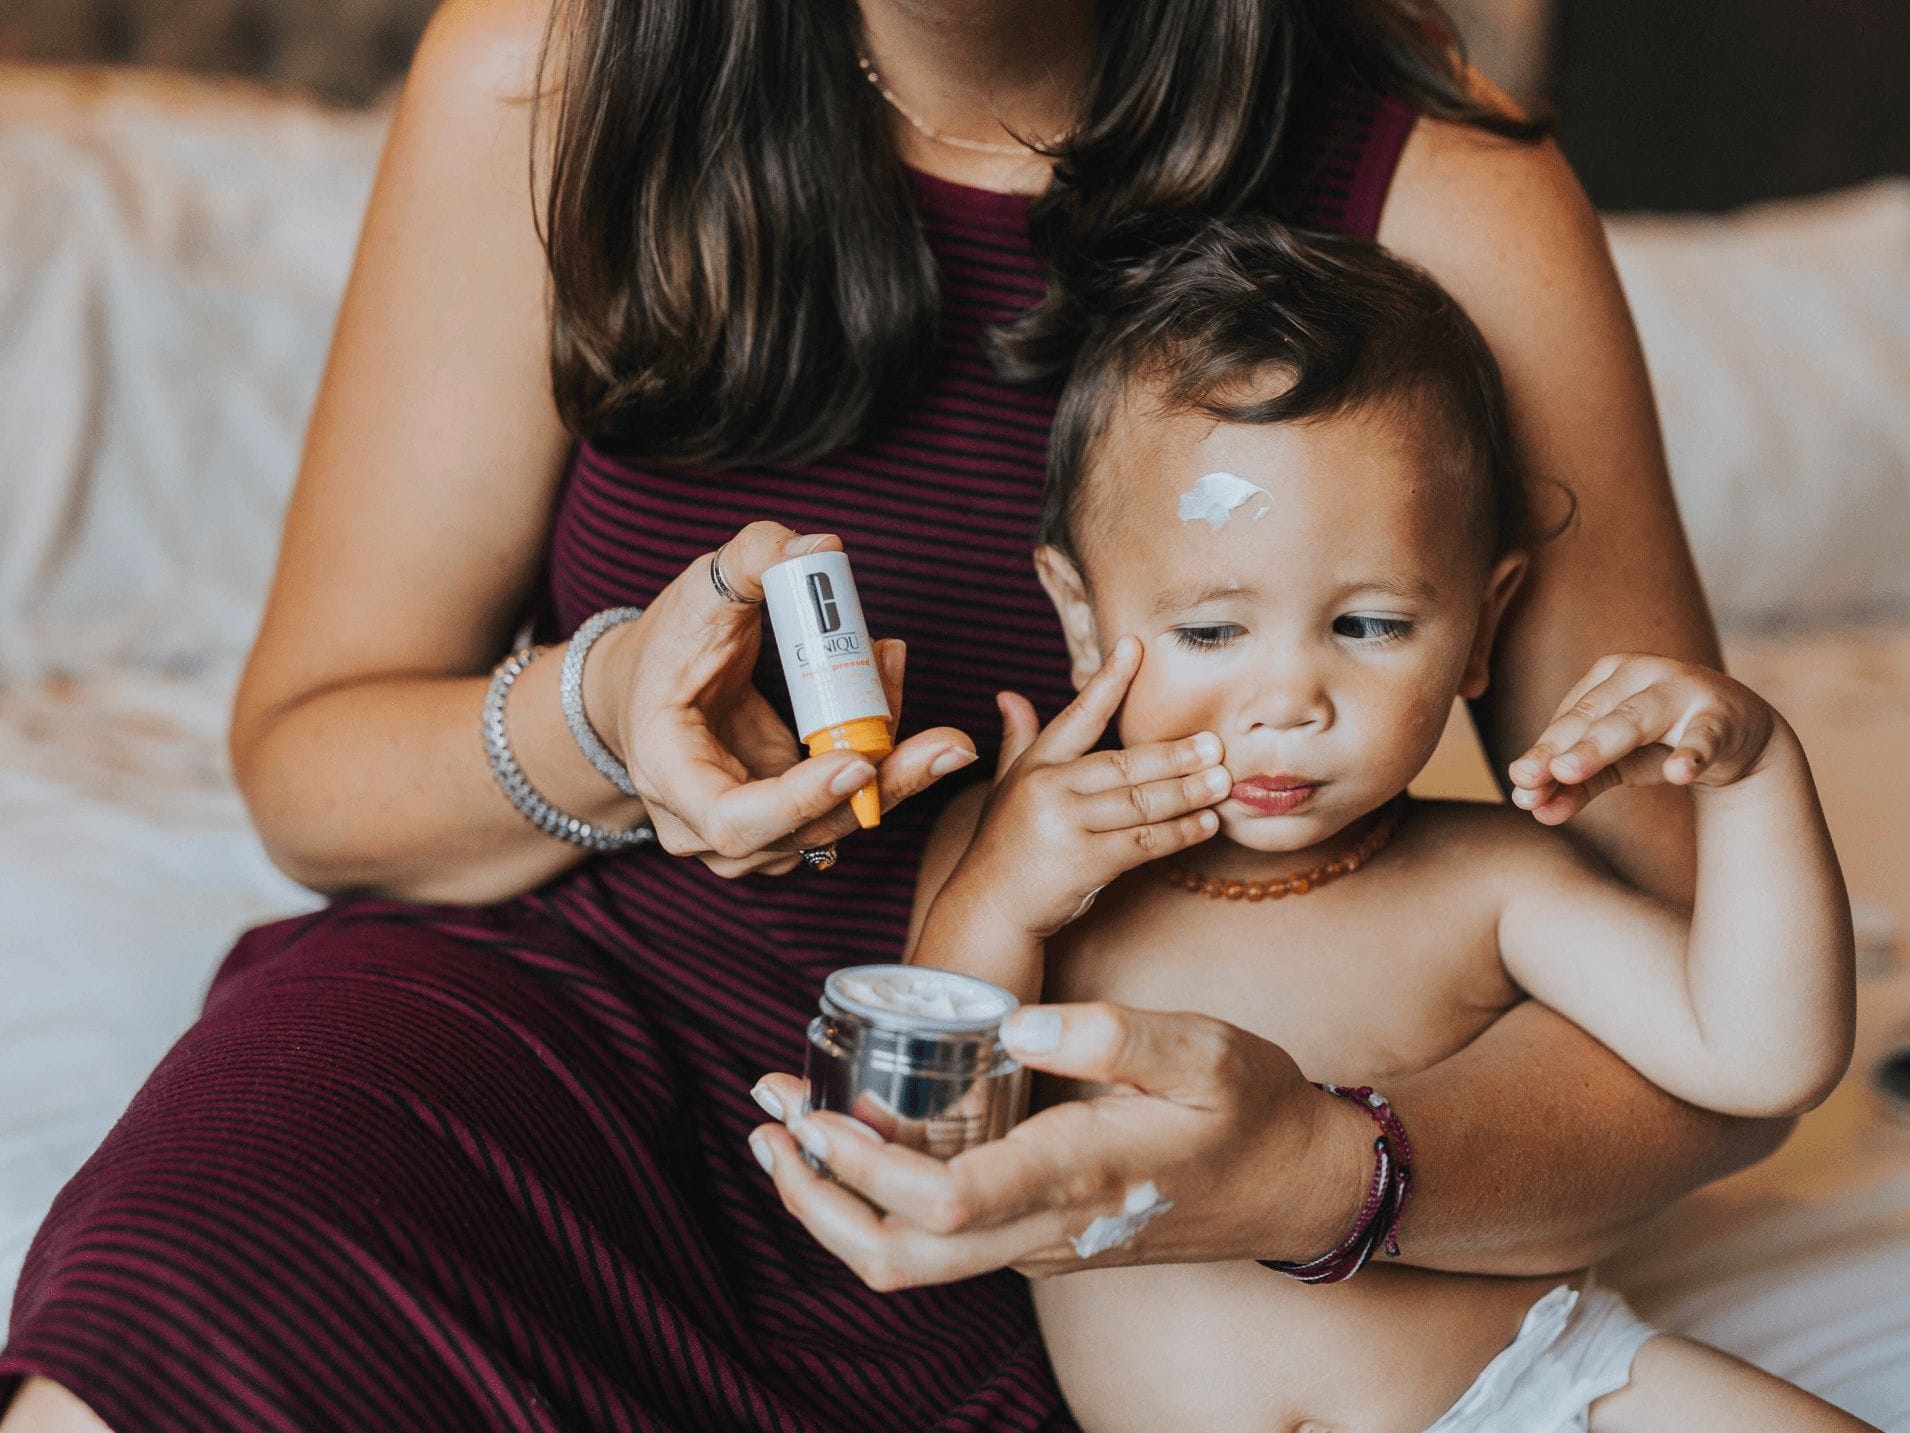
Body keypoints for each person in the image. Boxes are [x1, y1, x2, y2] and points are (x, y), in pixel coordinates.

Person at [0, 0, 1788, 1428]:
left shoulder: (1443, 183)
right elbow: (313, 771)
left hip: (1073, 1243)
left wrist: (1315, 1166)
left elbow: (1714, 1021)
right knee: (194, 1309)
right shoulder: (552, 68)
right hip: (535, 1054)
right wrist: (605, 720)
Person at [863, 218, 1862, 1431]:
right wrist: (996, 899)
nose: (1286, 698)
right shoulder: (1015, 866)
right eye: (1211, 631)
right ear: (1080, 616)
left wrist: (1755, 775)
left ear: (1480, 625)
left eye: (1372, 625)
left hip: (1533, 1393)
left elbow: (1763, 1057)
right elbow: (912, 1157)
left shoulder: (1490, 878)